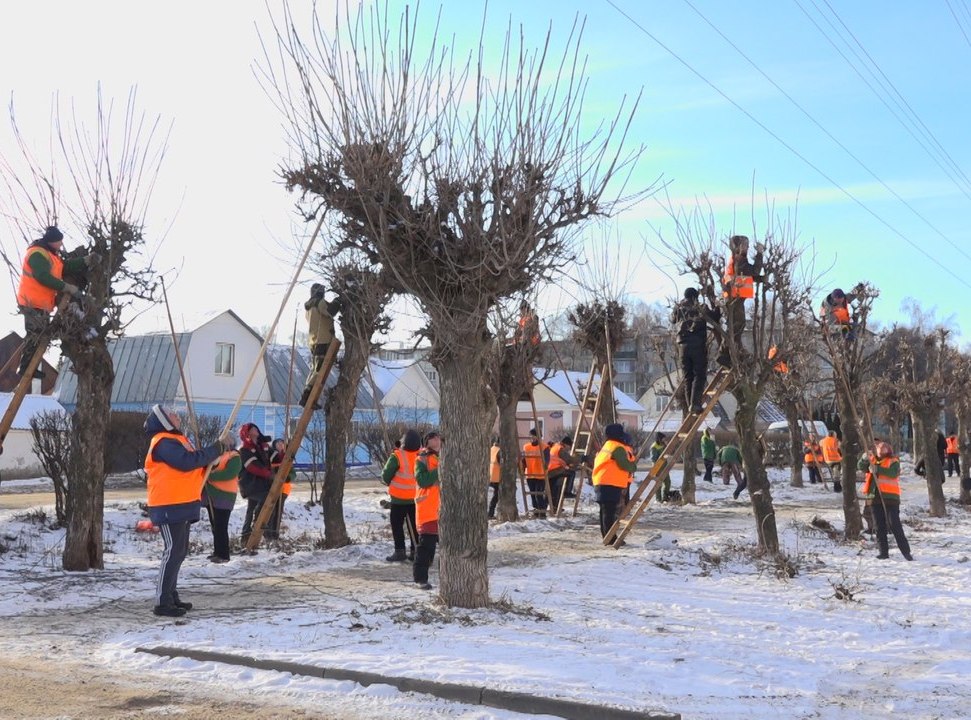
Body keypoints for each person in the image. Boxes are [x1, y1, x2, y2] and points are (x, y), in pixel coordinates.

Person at [143, 404, 233, 616]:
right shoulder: (163, 442)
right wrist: (214, 449)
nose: (177, 416)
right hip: (168, 504)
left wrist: (214, 457)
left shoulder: (176, 440)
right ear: (164, 420)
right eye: (172, 414)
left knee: (179, 552)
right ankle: (162, 602)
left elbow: (194, 465)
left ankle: (171, 596)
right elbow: (186, 462)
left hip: (181, 503)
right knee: (172, 551)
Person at [15, 226, 96, 378]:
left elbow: (64, 268)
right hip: (32, 301)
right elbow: (42, 276)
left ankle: (29, 367)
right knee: (35, 334)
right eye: (59, 241)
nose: (60, 244)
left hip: (41, 303)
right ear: (52, 241)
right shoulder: (37, 254)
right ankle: (26, 368)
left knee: (40, 334)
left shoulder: (50, 255)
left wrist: (84, 261)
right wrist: (67, 287)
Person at [858, 441, 913, 561]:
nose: (881, 449)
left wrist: (877, 469)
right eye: (879, 447)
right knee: (879, 526)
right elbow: (861, 467)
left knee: (894, 524)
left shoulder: (893, 461)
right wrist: (864, 458)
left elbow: (893, 473)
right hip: (874, 498)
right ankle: (883, 552)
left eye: (883, 447)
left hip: (890, 498)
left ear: (888, 450)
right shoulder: (871, 460)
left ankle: (906, 552)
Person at [671, 287, 721, 413]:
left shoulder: (678, 309)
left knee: (688, 377)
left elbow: (673, 320)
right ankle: (695, 404)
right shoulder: (700, 308)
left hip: (682, 347)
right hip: (697, 345)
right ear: (695, 297)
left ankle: (690, 407)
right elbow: (715, 317)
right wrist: (716, 304)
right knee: (699, 375)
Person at [718, 235, 764, 367]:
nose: (748, 247)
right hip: (734, 298)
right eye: (745, 245)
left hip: (734, 297)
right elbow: (754, 270)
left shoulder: (738, 261)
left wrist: (760, 279)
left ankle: (734, 351)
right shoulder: (739, 261)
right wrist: (760, 254)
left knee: (738, 325)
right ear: (737, 247)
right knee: (737, 326)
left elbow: (747, 276)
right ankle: (725, 353)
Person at [300, 283, 343, 410]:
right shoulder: (319, 303)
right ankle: (306, 397)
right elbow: (330, 311)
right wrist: (338, 300)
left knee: (315, 370)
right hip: (323, 341)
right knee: (319, 371)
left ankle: (308, 396)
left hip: (314, 342)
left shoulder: (309, 307)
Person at [592, 424, 638, 539]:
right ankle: (610, 538)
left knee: (604, 511)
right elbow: (624, 465)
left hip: (601, 482)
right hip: (610, 483)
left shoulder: (607, 446)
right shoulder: (617, 447)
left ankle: (607, 536)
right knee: (609, 512)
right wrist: (633, 466)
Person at [382, 428, 421, 560]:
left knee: (397, 525)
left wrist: (388, 481)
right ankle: (416, 551)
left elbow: (386, 475)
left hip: (398, 499)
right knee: (415, 527)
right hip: (416, 498)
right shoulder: (421, 455)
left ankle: (400, 551)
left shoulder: (397, 456)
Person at [201, 448, 241, 564]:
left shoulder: (234, 457)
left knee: (221, 526)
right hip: (211, 495)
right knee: (215, 525)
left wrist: (209, 476)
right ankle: (217, 552)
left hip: (225, 496)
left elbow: (229, 474)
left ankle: (223, 554)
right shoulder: (215, 454)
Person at [413, 431, 442, 590]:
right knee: (426, 548)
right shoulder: (421, 459)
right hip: (428, 510)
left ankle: (446, 577)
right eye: (432, 437)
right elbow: (423, 481)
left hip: (444, 510)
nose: (436, 439)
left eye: (438, 436)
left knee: (447, 548)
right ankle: (420, 579)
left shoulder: (446, 456)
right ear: (426, 442)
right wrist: (440, 469)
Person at [238, 423, 274, 545]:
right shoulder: (245, 450)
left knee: (250, 509)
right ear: (247, 433)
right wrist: (268, 474)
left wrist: (282, 451)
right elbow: (252, 467)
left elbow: (274, 457)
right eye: (252, 429)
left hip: (260, 484)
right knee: (265, 499)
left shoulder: (263, 446)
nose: (256, 430)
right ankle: (258, 521)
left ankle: (245, 536)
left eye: (256, 428)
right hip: (250, 484)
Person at [266, 438, 295, 540]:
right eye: (278, 443)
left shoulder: (287, 457)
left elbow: (293, 473)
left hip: (284, 489)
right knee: (271, 511)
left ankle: (275, 532)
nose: (280, 445)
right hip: (273, 487)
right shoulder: (271, 456)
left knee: (279, 510)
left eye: (282, 443)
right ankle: (269, 532)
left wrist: (288, 477)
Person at [521, 427, 550, 518]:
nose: (532, 437)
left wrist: (545, 465)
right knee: (533, 495)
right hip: (530, 475)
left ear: (539, 436)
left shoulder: (544, 447)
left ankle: (542, 513)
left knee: (539, 494)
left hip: (540, 475)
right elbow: (524, 460)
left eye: (534, 435)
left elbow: (547, 460)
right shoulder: (526, 447)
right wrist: (521, 467)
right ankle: (536, 512)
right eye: (531, 435)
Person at [546, 436, 577, 510]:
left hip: (549, 471)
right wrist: (581, 459)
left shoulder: (555, 447)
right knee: (572, 473)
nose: (568, 449)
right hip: (555, 470)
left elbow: (561, 461)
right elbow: (569, 459)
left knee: (555, 489)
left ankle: (554, 507)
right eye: (569, 447)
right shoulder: (560, 449)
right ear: (566, 444)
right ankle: (567, 491)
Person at [488, 437, 501, 519]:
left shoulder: (491, 449)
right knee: (496, 496)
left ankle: (490, 512)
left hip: (490, 475)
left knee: (494, 496)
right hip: (497, 477)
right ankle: (491, 512)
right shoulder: (500, 451)